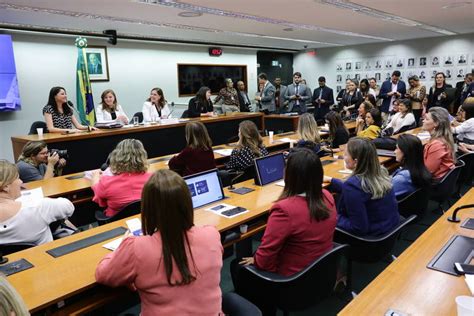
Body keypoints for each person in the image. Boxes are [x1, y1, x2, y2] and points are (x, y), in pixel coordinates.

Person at [95, 170, 223, 315]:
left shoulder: (136, 248)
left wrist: (122, 247)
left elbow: (103, 274)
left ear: (148, 209)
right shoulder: (212, 234)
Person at [233, 148, 337, 314]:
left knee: (237, 265)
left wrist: (257, 260)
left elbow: (266, 257)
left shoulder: (284, 209)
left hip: (291, 281)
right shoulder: (327, 195)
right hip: (319, 273)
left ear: (290, 175)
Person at [324, 137, 399, 236]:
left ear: (356, 161)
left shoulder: (353, 185)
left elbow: (358, 228)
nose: (343, 156)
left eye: (346, 154)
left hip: (370, 240)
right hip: (389, 230)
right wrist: (331, 180)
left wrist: (331, 216)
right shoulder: (381, 173)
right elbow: (360, 190)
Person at [0, 160, 74, 245]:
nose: (21, 182)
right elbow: (69, 207)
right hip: (43, 257)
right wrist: (40, 198)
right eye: (17, 178)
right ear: (5, 187)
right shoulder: (38, 207)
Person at [91, 139, 152, 217]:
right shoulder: (153, 179)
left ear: (116, 156)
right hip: (146, 218)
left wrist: (95, 177)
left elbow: (99, 199)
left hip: (114, 222)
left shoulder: (106, 182)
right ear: (143, 156)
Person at [422, 107, 455, 180]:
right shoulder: (441, 138)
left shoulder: (437, 144)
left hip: (435, 183)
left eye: (427, 119)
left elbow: (428, 171)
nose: (423, 121)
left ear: (436, 123)